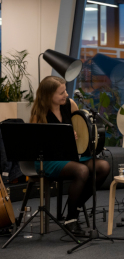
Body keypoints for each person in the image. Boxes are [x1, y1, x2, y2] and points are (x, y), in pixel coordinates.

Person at [30, 76, 110, 235]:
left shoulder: (70, 104)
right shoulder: (39, 114)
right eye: (61, 93)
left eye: (65, 90)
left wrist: (80, 134)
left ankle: (76, 206)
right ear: (48, 95)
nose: (66, 94)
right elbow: (37, 143)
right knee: (82, 171)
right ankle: (71, 218)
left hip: (71, 155)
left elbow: (81, 127)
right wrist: (60, 138)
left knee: (103, 167)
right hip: (49, 159)